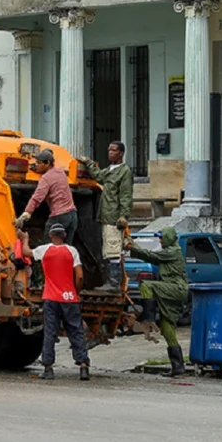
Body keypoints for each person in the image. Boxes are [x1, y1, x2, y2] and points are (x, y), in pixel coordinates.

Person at [19, 223, 90, 381]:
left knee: (50, 332)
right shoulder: (72, 251)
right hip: (69, 298)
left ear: (51, 236)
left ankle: (48, 369)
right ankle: (83, 367)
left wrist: (25, 239)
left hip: (51, 298)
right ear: (64, 236)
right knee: (76, 331)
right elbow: (79, 276)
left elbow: (26, 252)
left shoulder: (45, 250)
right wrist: (74, 292)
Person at [123, 226, 188, 377]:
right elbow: (149, 257)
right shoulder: (170, 251)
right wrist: (131, 243)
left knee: (146, 285)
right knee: (167, 329)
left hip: (176, 288)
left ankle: (149, 318)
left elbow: (150, 255)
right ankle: (178, 366)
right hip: (171, 290)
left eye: (161, 237)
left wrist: (131, 245)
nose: (160, 240)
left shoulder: (173, 251)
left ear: (169, 238)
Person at [78, 141, 133, 264]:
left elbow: (126, 195)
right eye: (109, 150)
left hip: (114, 218)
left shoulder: (124, 171)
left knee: (113, 252)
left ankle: (113, 281)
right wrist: (89, 162)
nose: (110, 152)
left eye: (114, 150)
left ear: (121, 153)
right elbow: (98, 176)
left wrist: (124, 216)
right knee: (107, 251)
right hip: (105, 216)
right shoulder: (109, 170)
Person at [16, 148, 78, 245]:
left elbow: (37, 198)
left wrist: (26, 214)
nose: (36, 165)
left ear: (47, 163)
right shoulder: (61, 172)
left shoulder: (46, 178)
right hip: (72, 216)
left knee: (48, 247)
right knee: (66, 248)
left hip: (59, 217)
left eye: (39, 163)